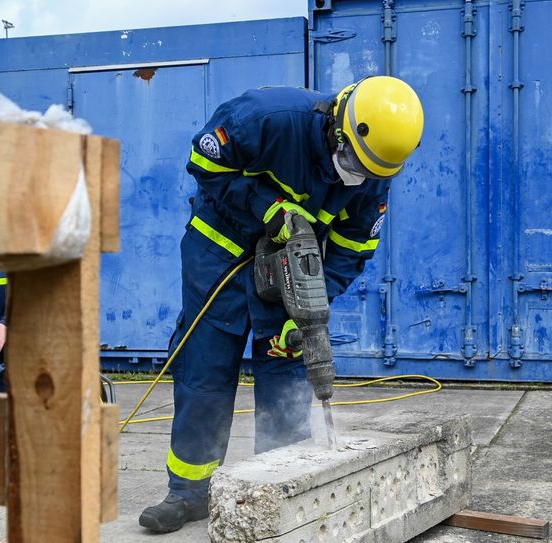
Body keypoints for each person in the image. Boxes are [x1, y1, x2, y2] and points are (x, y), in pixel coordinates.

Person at [139, 76, 424, 533]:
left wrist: (313, 306)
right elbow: (202, 163)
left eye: (370, 170)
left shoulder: (373, 176)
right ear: (337, 124)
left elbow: (352, 251)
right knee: (206, 371)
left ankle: (278, 491)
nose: (355, 173)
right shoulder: (265, 118)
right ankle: (189, 492)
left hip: (285, 274)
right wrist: (265, 205)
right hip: (220, 255)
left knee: (286, 374)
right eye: (351, 158)